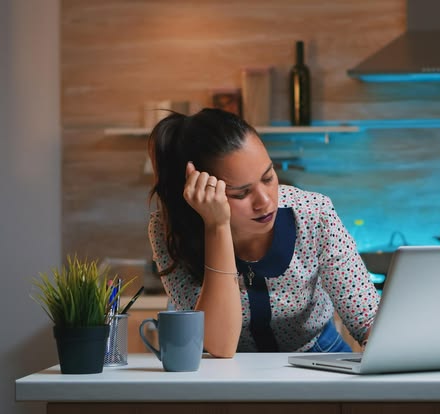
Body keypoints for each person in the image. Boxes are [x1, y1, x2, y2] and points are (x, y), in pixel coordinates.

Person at [147, 108, 380, 358]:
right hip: (230, 372)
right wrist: (217, 226)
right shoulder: (170, 230)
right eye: (241, 193)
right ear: (201, 191)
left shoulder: (314, 214)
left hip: (320, 357)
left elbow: (368, 321)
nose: (265, 201)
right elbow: (218, 345)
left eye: (268, 178)